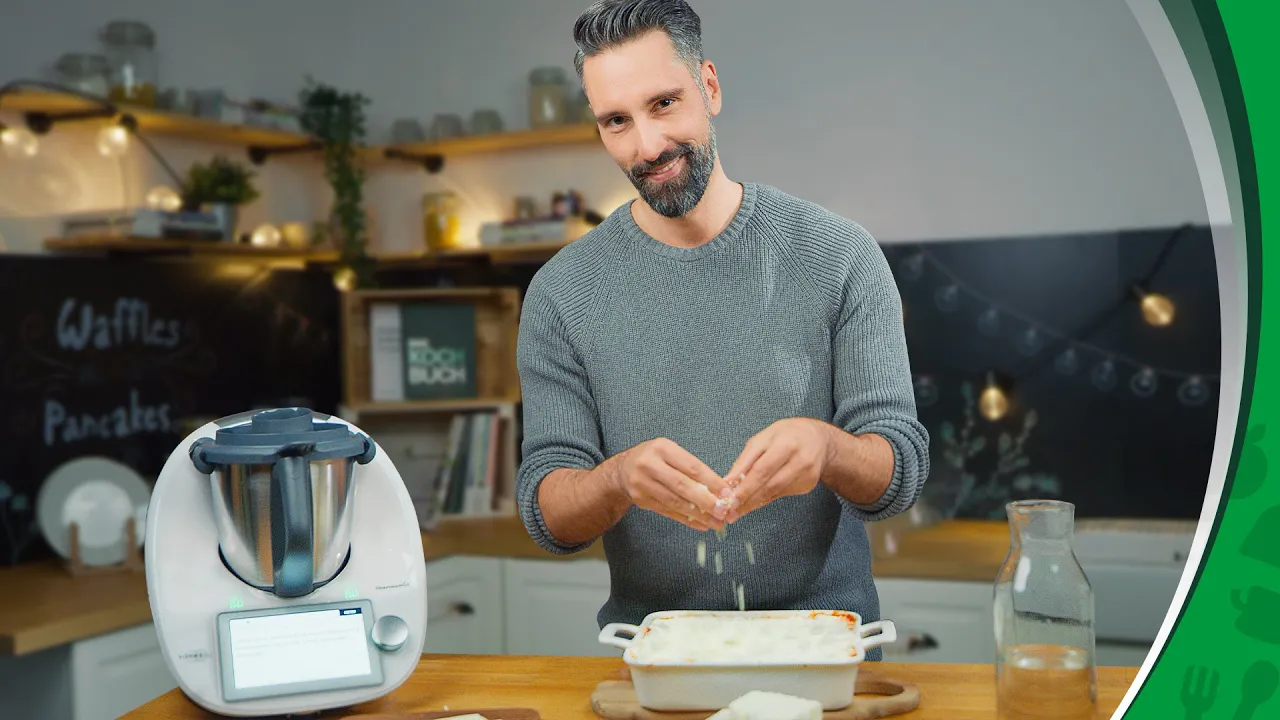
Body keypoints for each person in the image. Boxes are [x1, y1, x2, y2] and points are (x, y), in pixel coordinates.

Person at [514, 0, 930, 660]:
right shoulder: (560, 295)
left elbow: (899, 474)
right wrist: (616, 479)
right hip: (655, 657)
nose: (645, 146)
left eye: (663, 104)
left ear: (708, 87)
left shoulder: (841, 256)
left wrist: (826, 448)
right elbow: (550, 518)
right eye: (616, 122)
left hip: (824, 651)